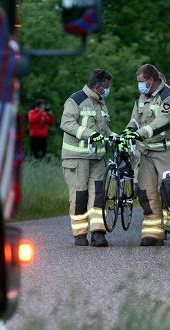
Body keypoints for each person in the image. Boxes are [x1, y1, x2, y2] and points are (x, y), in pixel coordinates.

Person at [123, 64, 170, 246]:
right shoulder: (143, 97)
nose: (140, 86)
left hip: (167, 152)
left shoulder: (168, 96)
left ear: (151, 80)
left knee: (169, 190)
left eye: (141, 82)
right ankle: (153, 234)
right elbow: (135, 118)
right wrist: (130, 130)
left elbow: (163, 121)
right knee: (146, 192)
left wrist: (141, 133)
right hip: (147, 152)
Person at [61, 69, 114, 247]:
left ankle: (98, 233)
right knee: (79, 196)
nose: (107, 90)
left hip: (97, 158)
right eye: (106, 86)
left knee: (98, 195)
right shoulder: (75, 100)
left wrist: (115, 137)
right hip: (76, 158)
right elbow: (67, 123)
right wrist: (89, 135)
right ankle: (80, 234)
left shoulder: (101, 103)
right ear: (98, 86)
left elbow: (104, 130)